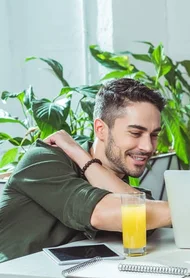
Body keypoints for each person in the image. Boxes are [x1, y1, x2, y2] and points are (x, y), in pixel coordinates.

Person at [0, 78, 171, 263]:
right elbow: (102, 213)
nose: (147, 146)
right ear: (101, 129)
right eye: (135, 133)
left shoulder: (118, 179)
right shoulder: (44, 159)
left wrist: (81, 156)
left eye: (154, 135)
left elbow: (145, 222)